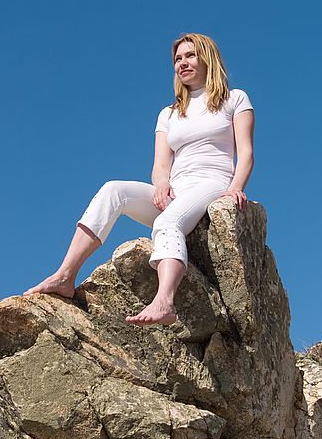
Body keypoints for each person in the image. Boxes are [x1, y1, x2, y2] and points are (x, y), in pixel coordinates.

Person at [24, 33, 255, 326]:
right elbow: (160, 164)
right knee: (113, 190)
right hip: (176, 189)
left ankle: (164, 302)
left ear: (208, 58)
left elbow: (246, 153)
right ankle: (65, 276)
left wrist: (235, 188)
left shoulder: (235, 99)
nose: (182, 63)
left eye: (190, 56)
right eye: (177, 59)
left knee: (167, 223)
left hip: (212, 181)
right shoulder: (169, 114)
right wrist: (161, 184)